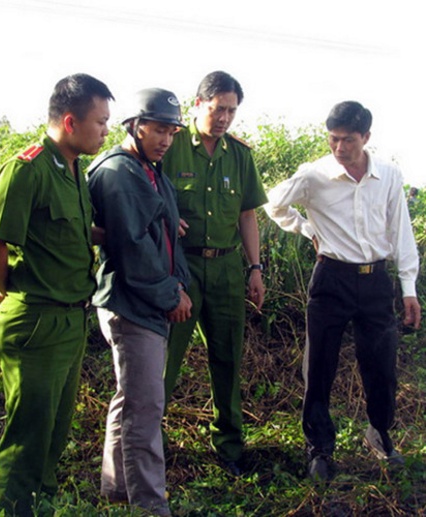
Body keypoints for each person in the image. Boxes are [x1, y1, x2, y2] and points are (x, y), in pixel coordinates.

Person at [0, 73, 114, 515]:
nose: (106, 131)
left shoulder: (73, 170)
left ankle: (40, 508)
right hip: (36, 323)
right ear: (70, 122)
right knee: (28, 440)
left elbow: (69, 233)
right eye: (101, 122)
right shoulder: (27, 168)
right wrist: (12, 290)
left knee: (54, 435)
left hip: (71, 320)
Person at [265, 101, 421, 481]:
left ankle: (380, 433)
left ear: (366, 137)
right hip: (331, 278)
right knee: (318, 365)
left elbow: (400, 232)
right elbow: (273, 204)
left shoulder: (388, 174)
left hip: (374, 281)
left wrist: (408, 288)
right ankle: (319, 447)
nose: (339, 148)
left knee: (381, 364)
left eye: (347, 140)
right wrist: (305, 228)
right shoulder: (314, 175)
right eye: (333, 139)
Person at [87, 88, 192, 516]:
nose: (166, 138)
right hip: (133, 305)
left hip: (146, 300)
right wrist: (172, 295)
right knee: (145, 407)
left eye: (171, 130)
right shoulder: (119, 173)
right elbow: (134, 251)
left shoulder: (149, 171)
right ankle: (150, 505)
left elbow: (166, 233)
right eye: (158, 129)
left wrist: (178, 285)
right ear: (135, 125)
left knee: (129, 398)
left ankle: (117, 489)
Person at [162, 71, 267, 476]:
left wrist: (255, 267)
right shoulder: (170, 145)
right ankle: (152, 442)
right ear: (198, 104)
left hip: (225, 267)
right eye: (218, 108)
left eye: (231, 110)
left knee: (227, 359)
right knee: (165, 361)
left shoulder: (239, 154)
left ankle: (229, 445)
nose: (224, 117)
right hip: (180, 268)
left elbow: (247, 214)